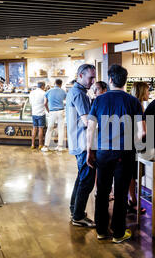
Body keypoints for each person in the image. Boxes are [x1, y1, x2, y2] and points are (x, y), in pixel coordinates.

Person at [86, 65, 145, 243]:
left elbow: (90, 129)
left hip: (103, 152)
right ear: (125, 81)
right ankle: (119, 233)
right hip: (125, 152)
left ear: (110, 80)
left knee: (102, 191)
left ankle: (101, 230)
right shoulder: (134, 101)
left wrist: (89, 150)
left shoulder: (98, 100)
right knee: (120, 193)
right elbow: (143, 132)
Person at [66, 64, 97, 227]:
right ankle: (78, 216)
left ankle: (75, 210)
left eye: (94, 77)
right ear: (80, 76)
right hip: (83, 143)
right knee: (86, 180)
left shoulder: (76, 92)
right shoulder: (79, 94)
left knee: (81, 178)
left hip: (78, 142)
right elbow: (87, 121)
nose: (93, 81)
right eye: (90, 77)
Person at [128, 81, 150, 214]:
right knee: (132, 174)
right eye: (147, 91)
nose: (149, 93)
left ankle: (132, 199)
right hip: (134, 145)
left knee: (132, 174)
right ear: (142, 92)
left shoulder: (132, 103)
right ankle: (133, 200)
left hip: (129, 143)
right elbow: (143, 131)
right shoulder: (137, 105)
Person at [41, 79, 66, 152]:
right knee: (61, 129)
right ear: (61, 84)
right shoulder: (63, 91)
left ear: (54, 83)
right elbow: (66, 100)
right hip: (61, 111)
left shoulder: (48, 91)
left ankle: (46, 146)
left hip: (52, 112)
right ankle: (60, 146)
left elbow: (45, 103)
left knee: (49, 129)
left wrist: (49, 111)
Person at [29, 82, 47, 150]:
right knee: (40, 129)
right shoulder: (44, 93)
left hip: (34, 113)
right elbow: (45, 103)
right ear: (42, 86)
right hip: (41, 113)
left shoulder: (32, 92)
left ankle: (32, 144)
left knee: (34, 128)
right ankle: (40, 145)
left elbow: (30, 102)